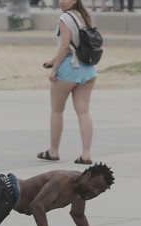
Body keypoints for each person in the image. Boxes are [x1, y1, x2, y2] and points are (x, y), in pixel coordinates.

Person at [37, 0, 97, 165]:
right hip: (88, 69)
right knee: (84, 112)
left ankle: (53, 151)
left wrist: (54, 68)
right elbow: (75, 45)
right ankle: (86, 154)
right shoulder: (83, 16)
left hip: (69, 68)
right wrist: (53, 60)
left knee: (57, 110)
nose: (61, 1)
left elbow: (64, 46)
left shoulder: (65, 17)